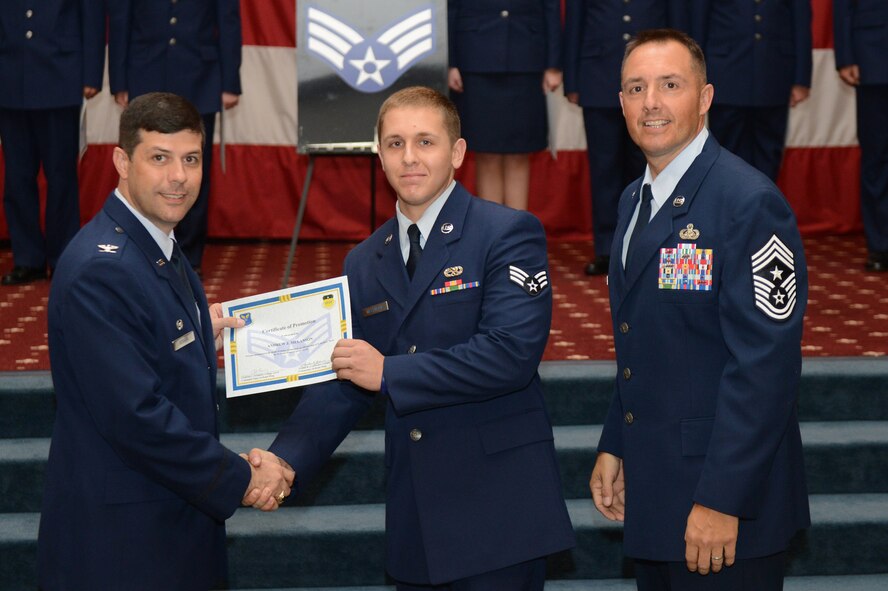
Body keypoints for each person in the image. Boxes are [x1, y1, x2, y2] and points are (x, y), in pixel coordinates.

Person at [251, 86, 576, 589]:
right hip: (416, 518)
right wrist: (285, 459)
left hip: (499, 511)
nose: (410, 157)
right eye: (396, 143)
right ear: (378, 155)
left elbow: (509, 355)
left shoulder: (508, 233)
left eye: (426, 142)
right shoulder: (364, 260)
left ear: (458, 153)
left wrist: (390, 371)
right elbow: (346, 375)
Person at [37, 92, 294, 590]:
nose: (179, 176)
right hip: (123, 547)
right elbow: (136, 417)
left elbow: (143, 346)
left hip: (162, 524)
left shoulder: (154, 242)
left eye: (191, 159)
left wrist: (199, 332)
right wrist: (241, 478)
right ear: (121, 162)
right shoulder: (103, 269)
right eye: (159, 158)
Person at [589, 30, 809, 590]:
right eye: (635, 88)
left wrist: (720, 500)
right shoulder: (632, 200)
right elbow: (641, 339)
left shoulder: (749, 202)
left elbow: (764, 369)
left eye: (669, 85)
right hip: (657, 492)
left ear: (705, 98)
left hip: (724, 511)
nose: (651, 103)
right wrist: (616, 440)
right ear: (620, 103)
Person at [107, 0, 242, 272]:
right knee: (146, 168)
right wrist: (119, 80)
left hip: (200, 76)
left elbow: (227, 20)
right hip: (146, 71)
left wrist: (229, 82)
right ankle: (145, 249)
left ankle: (188, 256)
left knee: (191, 169)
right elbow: (121, 19)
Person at [563, 0, 688, 275]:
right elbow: (575, 23)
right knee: (604, 169)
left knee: (651, 166)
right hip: (597, 76)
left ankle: (650, 242)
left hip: (651, 84)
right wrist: (572, 80)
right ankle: (608, 250)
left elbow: (677, 24)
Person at [0, 0, 104, 285]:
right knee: (17, 178)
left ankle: (62, 257)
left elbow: (91, 16)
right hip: (10, 77)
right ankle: (27, 259)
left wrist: (91, 73)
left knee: (61, 177)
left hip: (60, 76)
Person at [447, 0, 562, 210]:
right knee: (486, 153)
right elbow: (451, 7)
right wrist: (451, 61)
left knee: (520, 152)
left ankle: (515, 234)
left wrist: (553, 64)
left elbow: (551, 8)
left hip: (526, 58)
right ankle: (491, 234)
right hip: (475, 59)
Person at [690, 0, 812, 182]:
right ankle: (728, 208)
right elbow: (698, 23)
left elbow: (801, 22)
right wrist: (694, 77)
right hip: (726, 75)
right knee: (725, 153)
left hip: (774, 74)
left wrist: (801, 79)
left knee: (769, 154)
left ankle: (762, 208)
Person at [833, 0, 888, 272]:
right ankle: (880, 244)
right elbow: (843, 7)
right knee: (877, 157)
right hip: (874, 56)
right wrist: (845, 57)